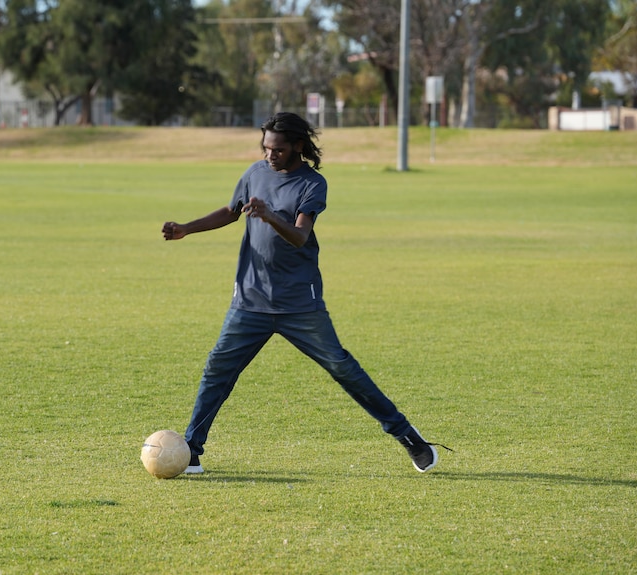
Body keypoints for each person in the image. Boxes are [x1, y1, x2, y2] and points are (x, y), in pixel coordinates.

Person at [161, 112, 447, 474]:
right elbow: (231, 212)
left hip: (299, 303)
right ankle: (192, 452)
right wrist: (186, 228)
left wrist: (268, 216)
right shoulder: (254, 173)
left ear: (298, 146)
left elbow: (299, 237)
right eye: (266, 148)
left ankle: (408, 437)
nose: (270, 155)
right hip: (251, 299)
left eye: (278, 149)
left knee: (343, 368)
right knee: (218, 370)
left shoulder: (313, 184)